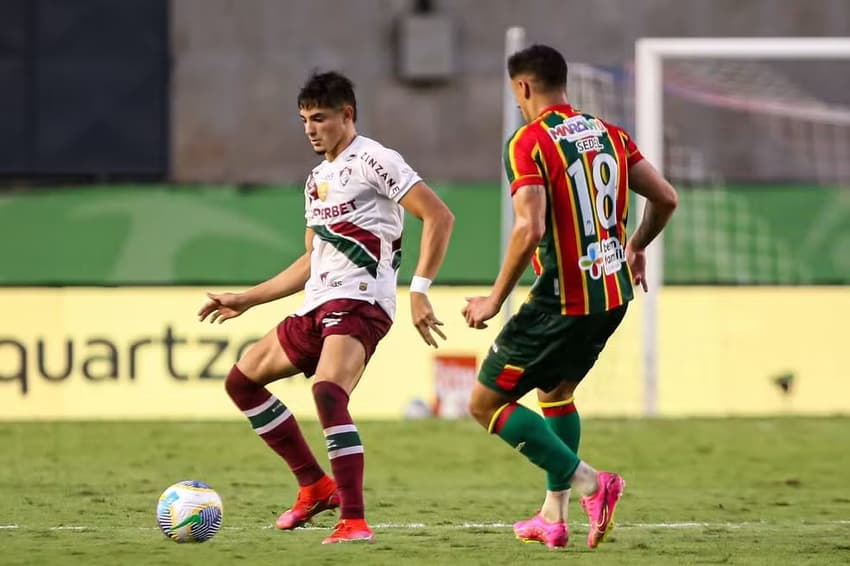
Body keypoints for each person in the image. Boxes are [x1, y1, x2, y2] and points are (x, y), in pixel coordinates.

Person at [198, 71, 454, 544]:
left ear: (347, 115)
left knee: (327, 392)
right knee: (242, 382)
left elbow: (439, 215)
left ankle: (353, 520)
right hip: (319, 302)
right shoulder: (317, 179)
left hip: (361, 302)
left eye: (319, 118)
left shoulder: (376, 160)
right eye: (304, 120)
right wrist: (246, 299)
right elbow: (311, 261)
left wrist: (419, 289)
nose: (310, 129)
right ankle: (315, 485)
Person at [463, 44, 678, 550]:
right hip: (613, 295)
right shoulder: (611, 134)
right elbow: (666, 197)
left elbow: (530, 225)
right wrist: (636, 245)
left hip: (561, 300)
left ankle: (592, 483)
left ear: (522, 87)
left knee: (484, 403)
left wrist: (495, 298)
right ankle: (552, 517)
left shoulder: (529, 142)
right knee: (556, 394)